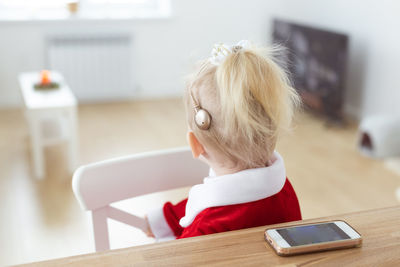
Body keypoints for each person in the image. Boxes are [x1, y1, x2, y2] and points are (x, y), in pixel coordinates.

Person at [145, 40, 302, 241]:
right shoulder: (282, 190)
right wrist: (166, 218)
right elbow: (210, 198)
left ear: (196, 145)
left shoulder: (205, 230)